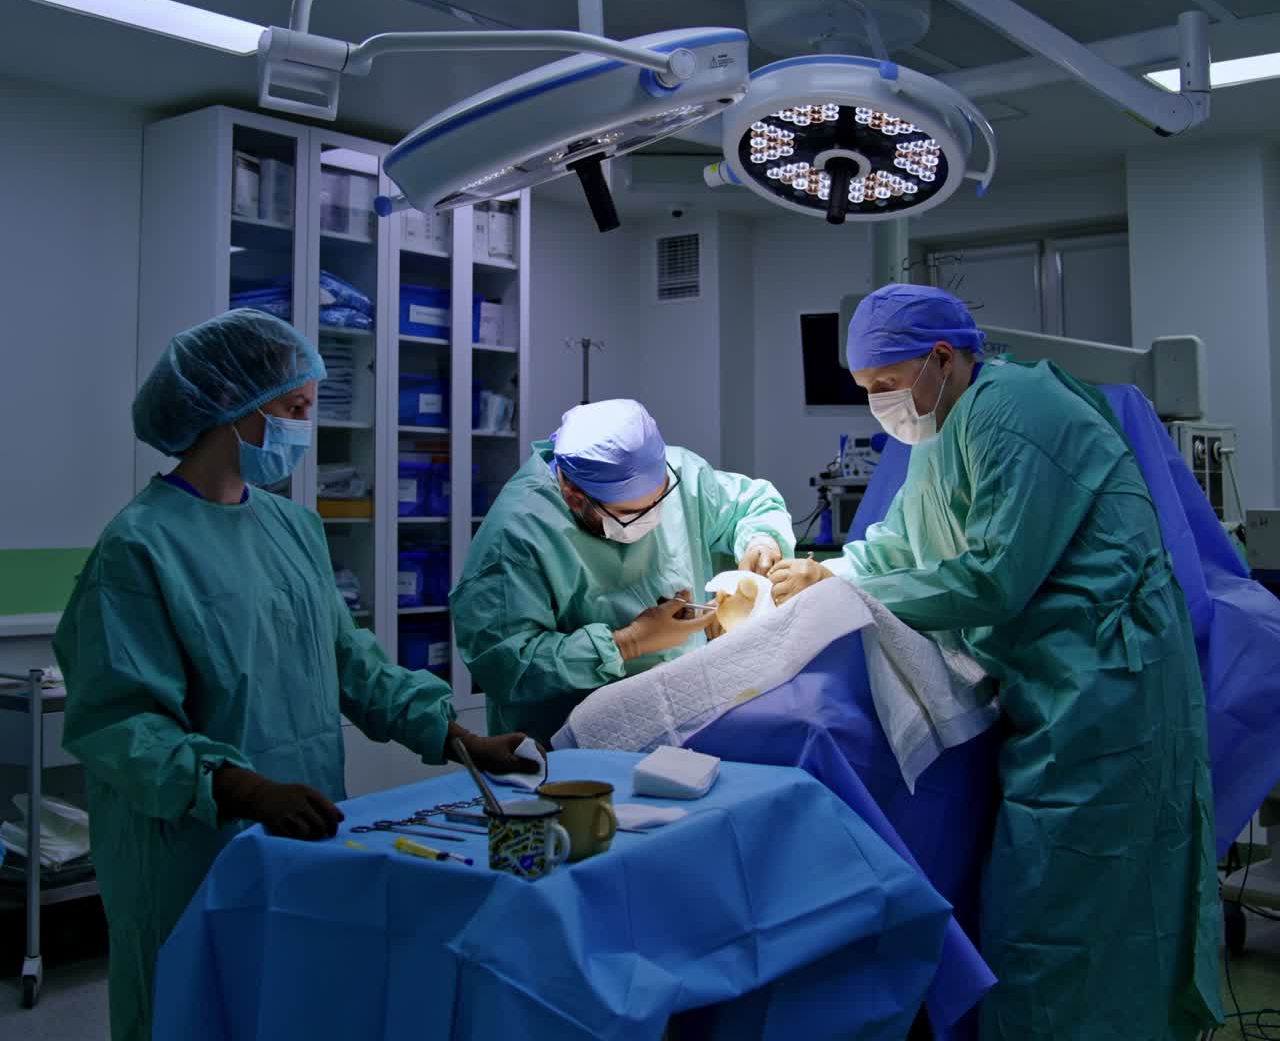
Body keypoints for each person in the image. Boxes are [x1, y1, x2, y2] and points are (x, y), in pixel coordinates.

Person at [54, 310, 538, 1041]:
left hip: (299, 824)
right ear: (231, 408)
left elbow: (350, 661)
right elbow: (120, 723)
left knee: (288, 1002)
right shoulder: (137, 549)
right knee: (190, 1010)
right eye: (296, 410)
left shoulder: (292, 529)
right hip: (185, 848)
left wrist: (452, 735)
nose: (303, 431)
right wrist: (239, 786)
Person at [768, 284, 1221, 1040]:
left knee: (1073, 909)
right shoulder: (943, 430)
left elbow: (993, 576)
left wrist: (854, 587)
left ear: (942, 359)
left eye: (884, 387)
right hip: (1054, 687)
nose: (880, 406)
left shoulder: (1016, 413)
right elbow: (904, 545)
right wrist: (831, 570)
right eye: (867, 393)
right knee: (1049, 905)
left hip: (1108, 690)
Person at [451, 399, 796, 743]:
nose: (652, 518)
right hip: (571, 747)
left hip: (687, 717)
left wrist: (761, 541)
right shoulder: (515, 536)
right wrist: (626, 643)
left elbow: (751, 504)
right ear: (574, 495)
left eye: (660, 499)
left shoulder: (675, 471)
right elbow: (508, 666)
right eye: (630, 514)